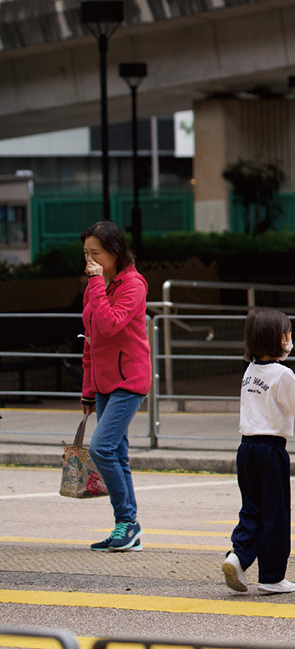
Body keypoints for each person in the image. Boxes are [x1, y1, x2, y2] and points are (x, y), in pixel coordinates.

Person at [223, 308, 295, 595]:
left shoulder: (249, 373)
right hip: (271, 450)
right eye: (288, 334)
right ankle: (272, 577)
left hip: (246, 447)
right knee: (276, 512)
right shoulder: (282, 374)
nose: (290, 339)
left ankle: (238, 556)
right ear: (278, 339)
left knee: (252, 508)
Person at [80, 221, 151, 552]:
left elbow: (109, 325)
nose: (89, 260)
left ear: (114, 252)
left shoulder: (133, 285)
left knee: (102, 448)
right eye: (86, 254)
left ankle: (128, 523)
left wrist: (96, 282)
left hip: (130, 380)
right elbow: (91, 343)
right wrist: (87, 391)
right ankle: (127, 527)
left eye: (95, 253)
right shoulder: (97, 284)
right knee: (117, 453)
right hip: (105, 383)